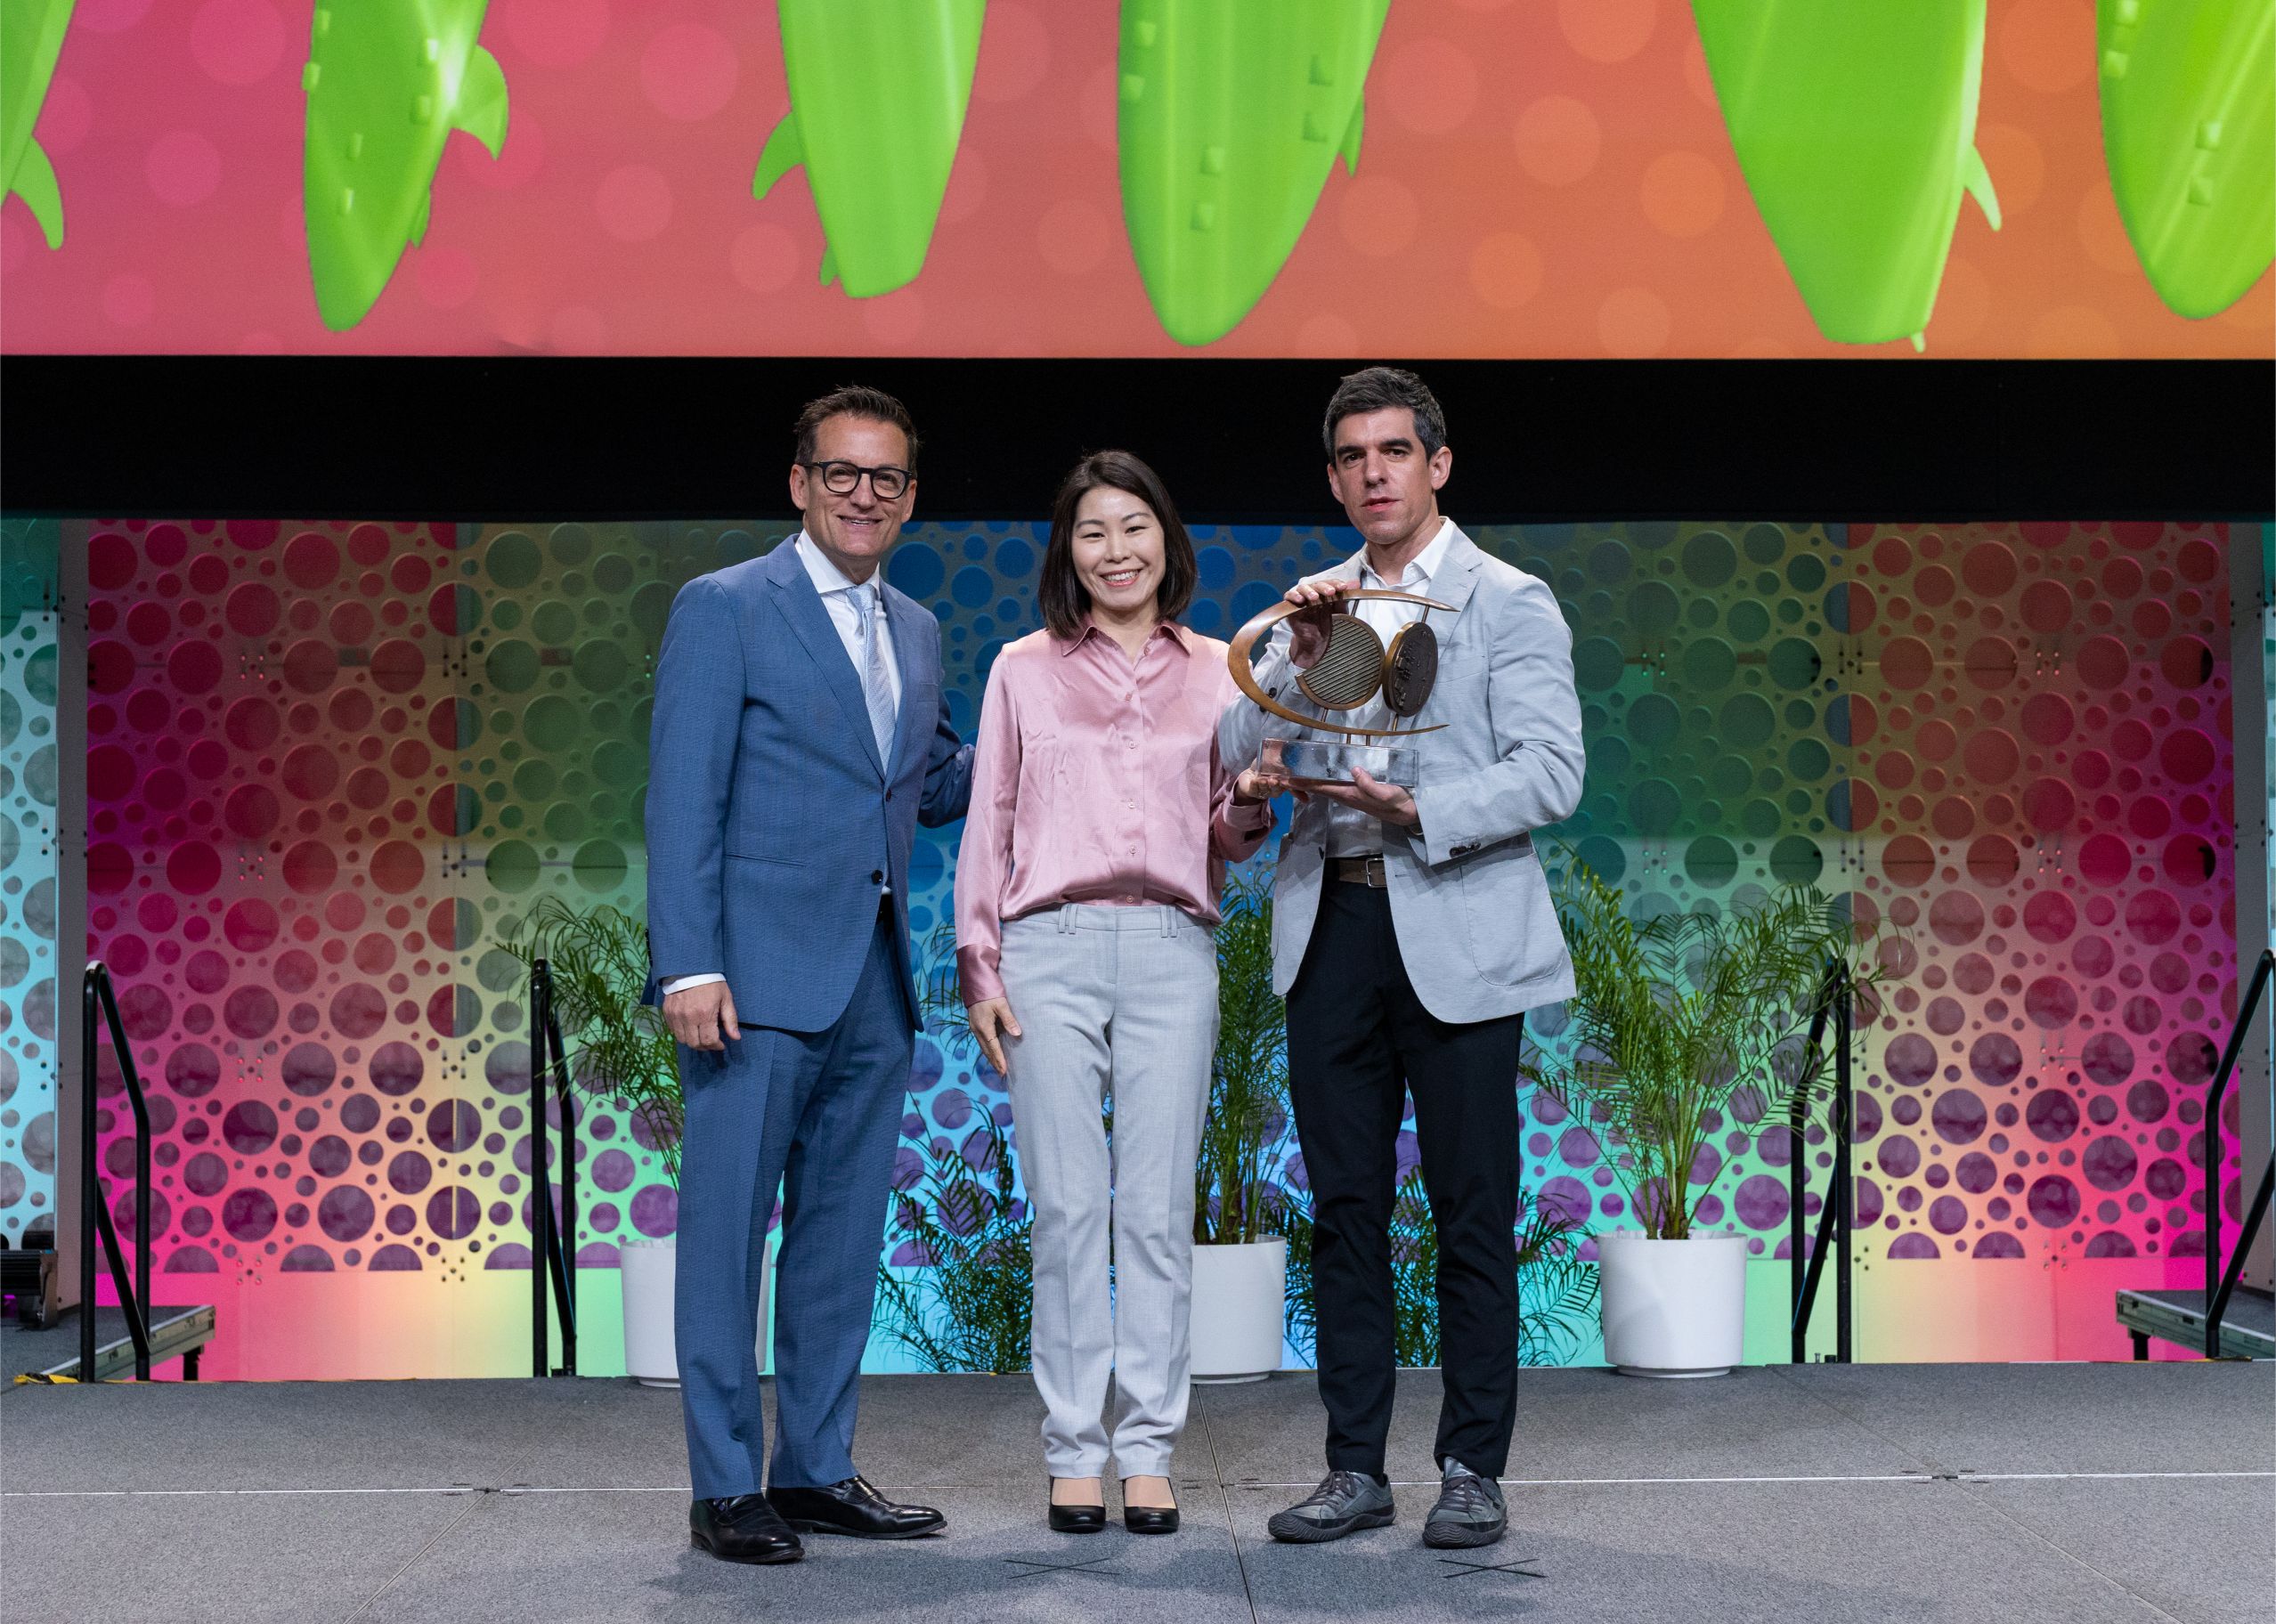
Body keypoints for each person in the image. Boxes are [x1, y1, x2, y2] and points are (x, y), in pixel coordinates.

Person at [1219, 367, 1584, 1550]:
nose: (1373, 473)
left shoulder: (1506, 600)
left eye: (1393, 451)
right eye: (1351, 457)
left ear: (1437, 464)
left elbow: (1552, 771)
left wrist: (1422, 808)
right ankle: (1353, 1468)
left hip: (1455, 921)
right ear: (1334, 480)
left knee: (1471, 1207)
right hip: (1333, 926)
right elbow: (1239, 744)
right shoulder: (1323, 608)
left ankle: (1472, 1466)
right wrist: (1295, 653)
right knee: (1345, 1210)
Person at [646, 386, 974, 1565]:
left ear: (910, 498)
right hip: (751, 981)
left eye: (885, 478)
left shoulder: (917, 630)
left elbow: (932, 783)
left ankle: (818, 1469)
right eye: (842, 473)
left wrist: (1058, 726)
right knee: (726, 1241)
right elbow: (683, 795)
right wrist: (688, 964)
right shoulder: (728, 606)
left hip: (874, 983)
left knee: (839, 1247)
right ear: (800, 483)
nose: (863, 495)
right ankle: (727, 1488)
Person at [954, 451, 1275, 1536]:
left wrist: (1252, 799)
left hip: (1173, 948)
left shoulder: (1221, 668)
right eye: (1093, 531)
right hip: (1047, 948)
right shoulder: (1021, 668)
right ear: (1069, 553)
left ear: (1166, 542)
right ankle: (1072, 1451)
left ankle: (1146, 1450)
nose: (1116, 550)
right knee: (1065, 1212)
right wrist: (979, 963)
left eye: (1135, 527)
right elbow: (989, 819)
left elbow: (1228, 832)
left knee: (1155, 1212)